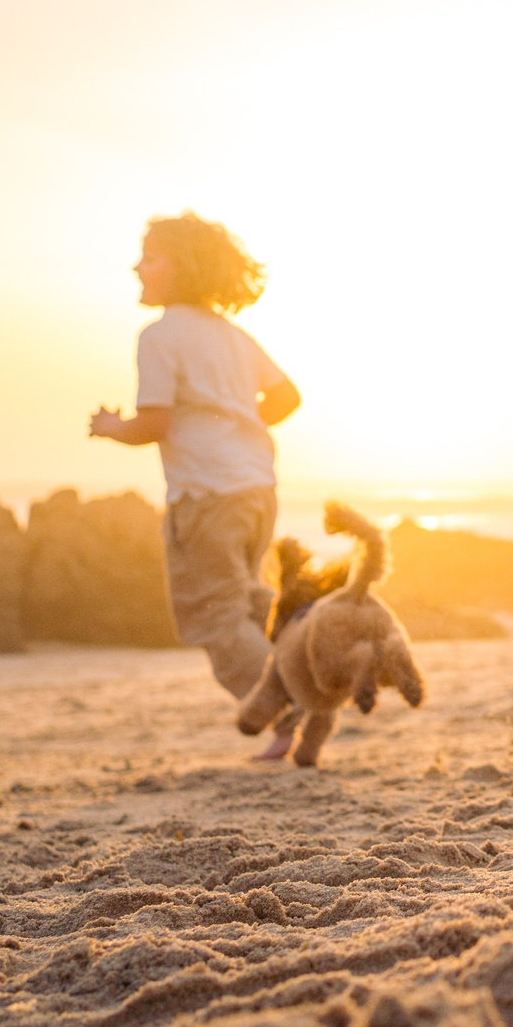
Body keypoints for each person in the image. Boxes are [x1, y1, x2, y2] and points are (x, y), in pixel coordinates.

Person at [89, 212, 304, 759]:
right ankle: (299, 694)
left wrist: (112, 428)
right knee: (252, 605)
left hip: (206, 494)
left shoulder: (161, 336)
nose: (137, 266)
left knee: (214, 613)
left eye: (150, 256)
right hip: (257, 487)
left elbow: (154, 424)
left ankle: (289, 706)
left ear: (180, 266)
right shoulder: (233, 337)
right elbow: (286, 399)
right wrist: (236, 419)